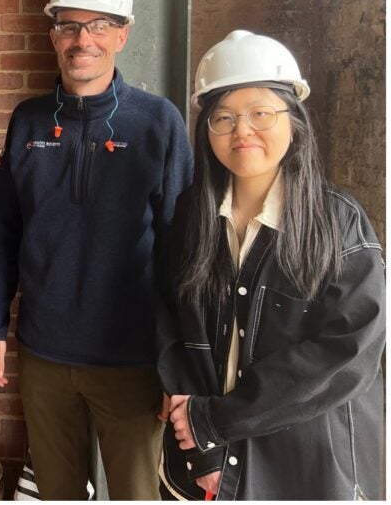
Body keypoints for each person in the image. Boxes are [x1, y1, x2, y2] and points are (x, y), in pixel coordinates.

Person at [0, 0, 194, 499]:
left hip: (132, 359)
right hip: (46, 353)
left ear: (123, 34)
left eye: (99, 25)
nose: (83, 40)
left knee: (134, 494)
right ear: (53, 35)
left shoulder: (158, 122)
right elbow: (1, 232)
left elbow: (184, 252)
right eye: (70, 26)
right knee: (57, 493)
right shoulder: (28, 120)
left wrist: (182, 360)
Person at [157, 30, 385, 501]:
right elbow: (170, 320)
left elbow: (351, 353)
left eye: (261, 113)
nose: (242, 131)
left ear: (294, 120)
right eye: (224, 117)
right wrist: (200, 443)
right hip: (202, 456)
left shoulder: (337, 223)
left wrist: (217, 422)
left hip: (306, 465)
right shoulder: (190, 216)